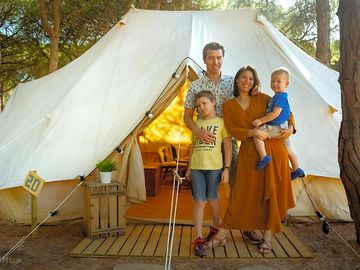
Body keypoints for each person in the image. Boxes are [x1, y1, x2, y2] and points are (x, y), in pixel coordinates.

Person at [206, 66, 296, 254]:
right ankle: (223, 233)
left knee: (269, 191)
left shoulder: (263, 98)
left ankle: (267, 237)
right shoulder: (228, 106)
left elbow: (286, 111)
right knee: (241, 193)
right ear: (237, 80)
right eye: (243, 77)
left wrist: (291, 128)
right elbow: (231, 129)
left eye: (251, 78)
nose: (247, 81)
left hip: (273, 151)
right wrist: (251, 132)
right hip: (249, 153)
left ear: (254, 82)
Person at [185, 90, 232, 257]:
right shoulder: (196, 123)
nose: (201, 107)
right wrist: (189, 167)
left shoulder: (221, 122)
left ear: (213, 102)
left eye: (204, 103)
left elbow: (227, 147)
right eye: (198, 105)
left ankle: (215, 229)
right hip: (197, 166)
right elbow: (192, 146)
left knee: (213, 198)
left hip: (214, 167)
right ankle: (198, 238)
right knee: (199, 201)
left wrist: (226, 169)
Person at [252, 67, 305, 180]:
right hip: (283, 126)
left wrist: (261, 121)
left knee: (257, 134)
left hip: (277, 126)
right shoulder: (277, 96)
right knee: (287, 149)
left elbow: (276, 113)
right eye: (272, 81)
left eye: (278, 81)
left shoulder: (280, 97)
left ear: (286, 83)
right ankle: (296, 169)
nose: (275, 83)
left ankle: (263, 157)